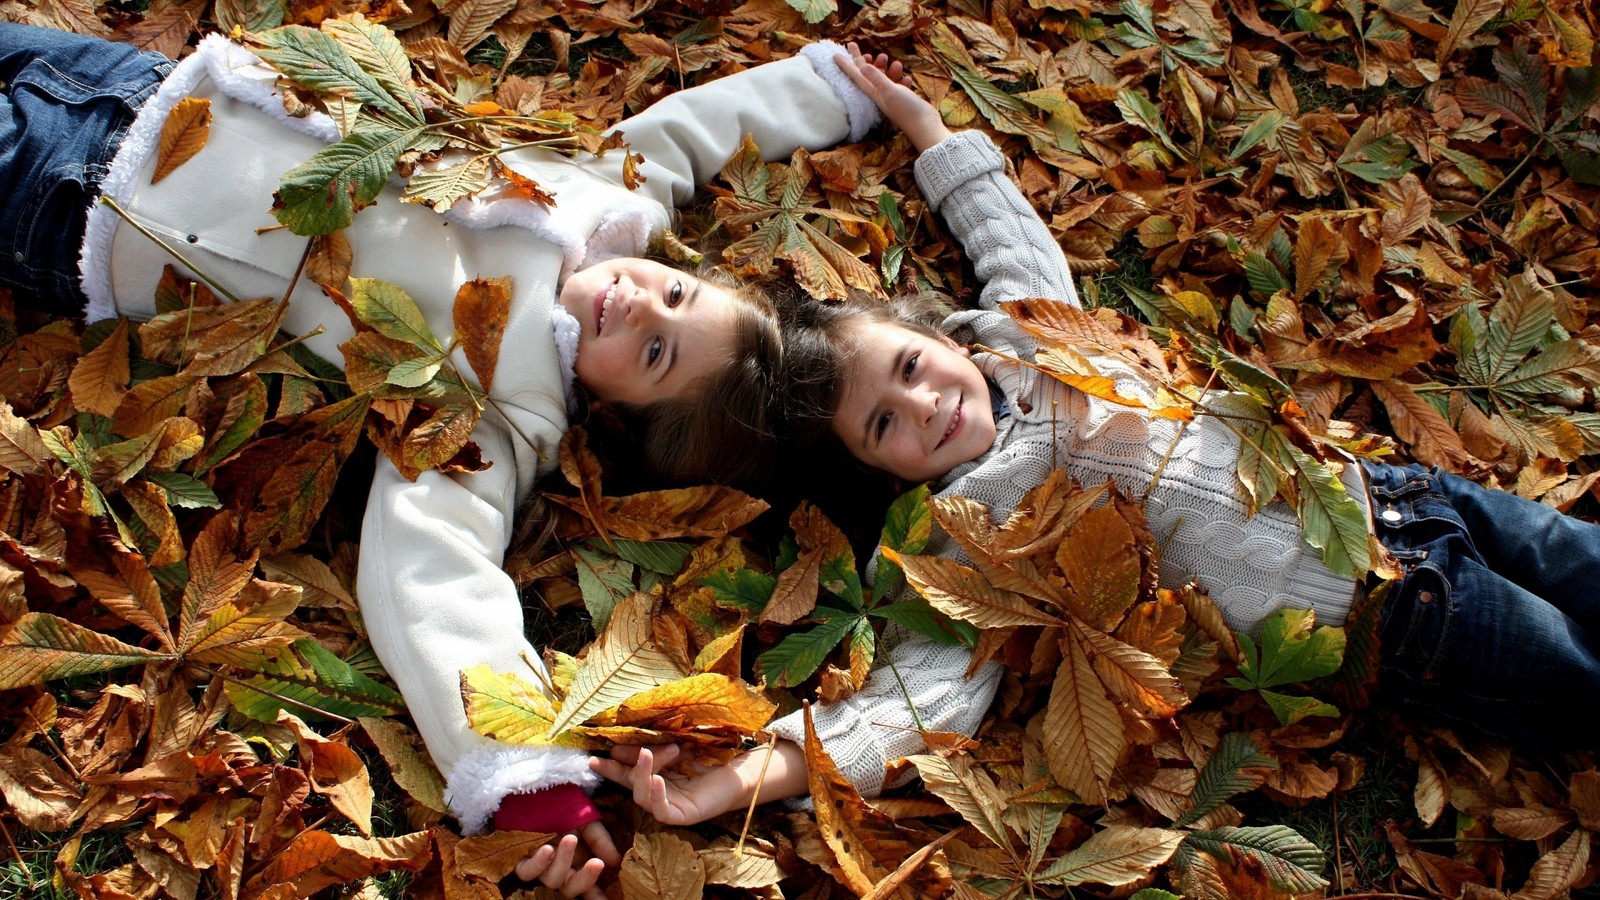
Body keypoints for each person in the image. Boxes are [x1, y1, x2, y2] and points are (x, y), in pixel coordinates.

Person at [595, 45, 1600, 827]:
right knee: (1574, 677)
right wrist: (738, 781)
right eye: (886, 426)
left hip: (1396, 493)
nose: (927, 405)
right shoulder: (969, 540)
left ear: (925, 334)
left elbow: (1008, 237)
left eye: (909, 367)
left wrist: (925, 125)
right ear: (874, 473)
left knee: (1580, 558)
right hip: (1397, 619)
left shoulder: (1024, 343)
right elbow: (913, 705)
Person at [0, 21, 885, 897]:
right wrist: (834, 88)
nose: (639, 304)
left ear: (622, 421)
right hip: (177, 87)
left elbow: (432, 570)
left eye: (655, 353)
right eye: (676, 295)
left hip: (90, 204)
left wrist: (525, 779)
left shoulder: (501, 408)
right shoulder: (611, 207)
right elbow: (695, 130)